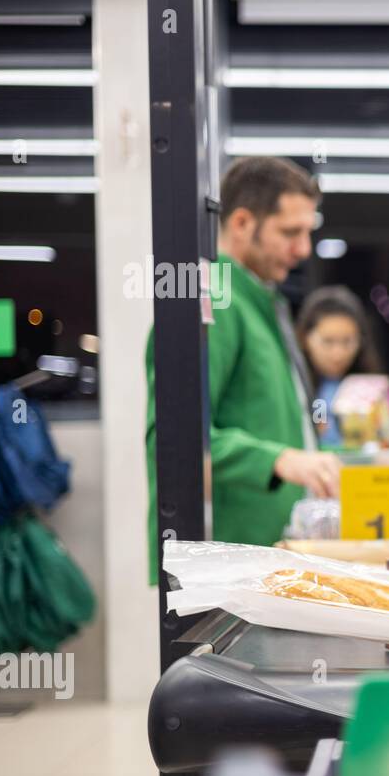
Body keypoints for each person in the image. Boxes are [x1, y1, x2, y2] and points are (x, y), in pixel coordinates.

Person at [145, 156, 341, 583]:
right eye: (290, 232)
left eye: (308, 232)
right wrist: (277, 460)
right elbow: (173, 438)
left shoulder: (261, 303)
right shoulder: (213, 302)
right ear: (241, 222)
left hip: (267, 558)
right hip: (224, 567)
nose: (304, 249)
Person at [295, 285, 387, 447]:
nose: (338, 354)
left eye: (347, 342)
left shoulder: (374, 389)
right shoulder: (295, 387)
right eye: (328, 341)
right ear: (304, 339)